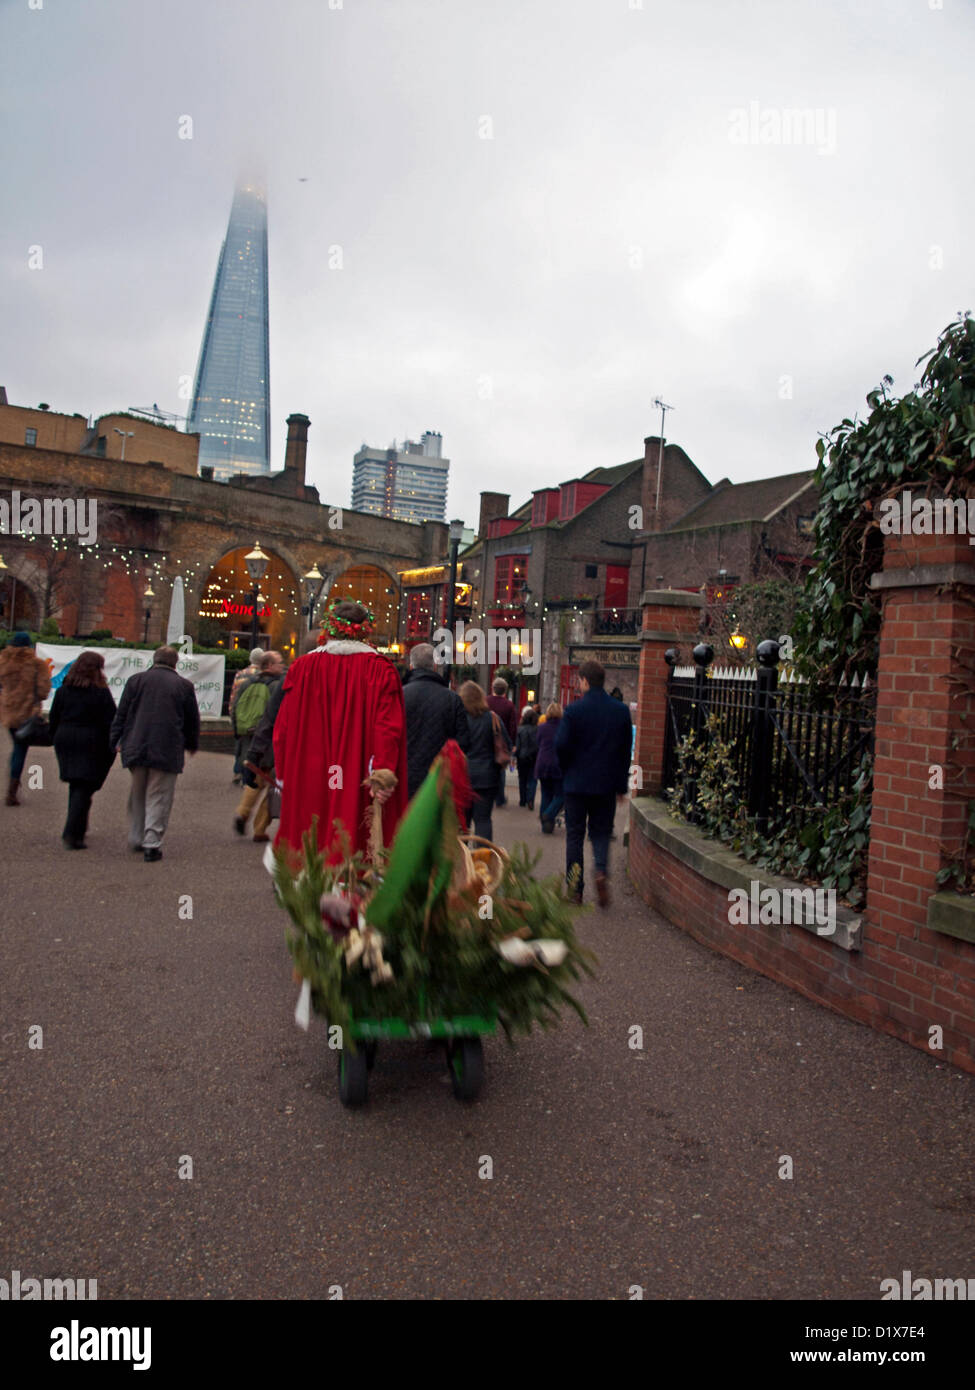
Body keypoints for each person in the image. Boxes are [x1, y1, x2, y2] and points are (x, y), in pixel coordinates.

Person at [273, 600, 408, 865]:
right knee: (353, 833)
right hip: (355, 772)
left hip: (312, 769)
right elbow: (388, 728)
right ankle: (350, 888)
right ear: (365, 631)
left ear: (330, 630)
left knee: (311, 828)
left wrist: (282, 773)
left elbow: (283, 729)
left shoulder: (302, 668)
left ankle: (311, 887)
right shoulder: (381, 669)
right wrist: (382, 772)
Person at [110, 645, 200, 862]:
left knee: (138, 792)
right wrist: (191, 744)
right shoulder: (184, 686)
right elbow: (191, 720)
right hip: (166, 747)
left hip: (136, 743)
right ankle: (152, 841)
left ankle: (136, 835)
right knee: (159, 794)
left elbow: (122, 713)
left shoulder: (135, 681)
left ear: (154, 659)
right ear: (175, 662)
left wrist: (115, 740)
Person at [555, 659, 633, 908]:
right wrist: (621, 786)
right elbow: (624, 753)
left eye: (579, 680)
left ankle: (575, 890)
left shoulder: (574, 711)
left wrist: (566, 769)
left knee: (575, 836)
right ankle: (600, 870)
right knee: (600, 832)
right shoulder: (620, 711)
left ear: (585, 681)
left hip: (576, 784)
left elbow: (561, 745)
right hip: (605, 785)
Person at [48, 651, 117, 849]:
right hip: (91, 740)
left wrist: (55, 736)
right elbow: (110, 720)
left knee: (77, 784)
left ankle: (78, 827)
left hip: (66, 737)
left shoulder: (64, 690)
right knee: (85, 785)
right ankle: (72, 832)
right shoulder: (100, 692)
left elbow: (54, 717)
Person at [403, 643, 470, 800]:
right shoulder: (452, 700)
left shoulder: (399, 695)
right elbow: (464, 743)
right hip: (439, 778)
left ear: (411, 666)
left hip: (405, 777)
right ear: (434, 666)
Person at [234, 649, 285, 841]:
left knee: (255, 780)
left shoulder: (247, 683)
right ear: (269, 666)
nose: (282, 666)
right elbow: (275, 717)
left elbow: (235, 707)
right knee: (272, 785)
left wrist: (238, 734)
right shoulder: (276, 686)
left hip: (250, 739)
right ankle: (260, 829)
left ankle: (243, 811)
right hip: (270, 741)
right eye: (279, 663)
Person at [0, 631, 52, 806]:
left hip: (8, 711)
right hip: (27, 712)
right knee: (20, 749)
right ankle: (12, 790)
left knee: (16, 746)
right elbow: (44, 691)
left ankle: (13, 782)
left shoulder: (4, 661)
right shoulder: (37, 664)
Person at [459, 681, 509, 840]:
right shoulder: (493, 718)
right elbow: (507, 743)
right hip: (487, 778)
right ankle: (484, 859)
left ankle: (463, 861)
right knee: (483, 821)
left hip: (463, 776)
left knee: (462, 824)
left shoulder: (459, 719)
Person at [229, 647, 267, 782]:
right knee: (252, 746)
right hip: (255, 716)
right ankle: (247, 774)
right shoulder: (263, 676)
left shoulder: (240, 674)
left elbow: (233, 696)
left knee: (240, 743)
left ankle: (237, 770)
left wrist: (232, 714)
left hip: (240, 715)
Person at [487, 677, 517, 807]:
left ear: (493, 688)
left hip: (487, 738)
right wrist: (512, 743)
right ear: (505, 690)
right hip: (502, 741)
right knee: (501, 768)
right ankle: (499, 797)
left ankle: (488, 794)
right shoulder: (509, 705)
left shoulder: (486, 701)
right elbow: (512, 726)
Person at [534, 702, 564, 833]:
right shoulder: (564, 728)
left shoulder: (541, 727)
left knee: (546, 794)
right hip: (557, 764)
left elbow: (538, 743)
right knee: (560, 795)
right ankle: (549, 814)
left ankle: (545, 824)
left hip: (542, 763)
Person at [515, 706, 539, 809]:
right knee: (533, 779)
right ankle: (530, 800)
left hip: (522, 757)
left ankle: (522, 800)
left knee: (522, 779)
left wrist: (515, 756)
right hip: (534, 757)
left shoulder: (520, 729)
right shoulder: (537, 729)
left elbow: (518, 745)